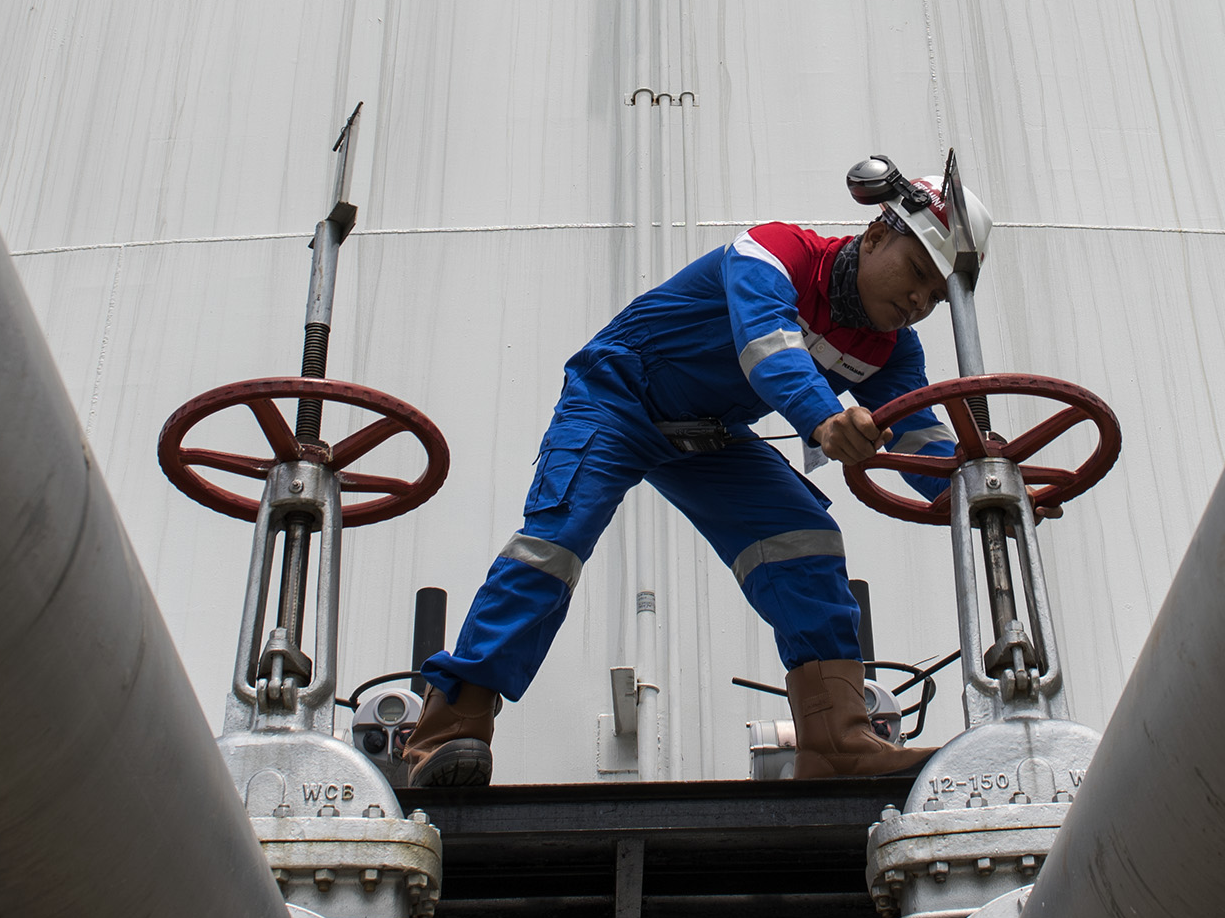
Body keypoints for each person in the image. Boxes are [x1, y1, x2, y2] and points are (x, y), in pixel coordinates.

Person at [405, 164, 975, 785]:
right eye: (918, 272)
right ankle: (447, 732)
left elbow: (923, 441)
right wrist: (823, 419)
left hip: (707, 436)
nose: (920, 301)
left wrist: (983, 492)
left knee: (805, 540)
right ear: (873, 235)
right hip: (617, 398)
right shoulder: (776, 252)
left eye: (936, 296)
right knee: (554, 544)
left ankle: (836, 740)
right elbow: (768, 349)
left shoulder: (891, 350)